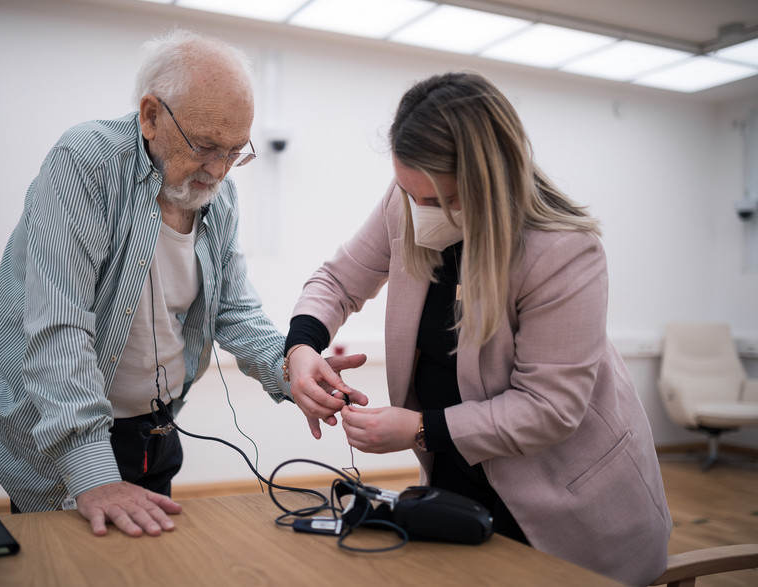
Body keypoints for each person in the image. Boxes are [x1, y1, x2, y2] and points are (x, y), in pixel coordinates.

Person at [284, 72, 672, 586]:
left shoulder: (563, 252)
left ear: (488, 184)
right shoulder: (407, 198)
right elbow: (337, 279)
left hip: (568, 503)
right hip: (460, 480)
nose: (417, 213)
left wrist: (420, 428)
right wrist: (301, 346)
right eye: (407, 192)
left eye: (436, 200)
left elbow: (549, 408)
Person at [0, 29, 362, 539]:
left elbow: (235, 311)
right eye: (206, 146)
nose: (220, 170)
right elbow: (59, 326)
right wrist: (94, 476)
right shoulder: (87, 161)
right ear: (151, 116)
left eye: (234, 151)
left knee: (152, 562)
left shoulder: (218, 199)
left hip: (154, 426)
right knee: (72, 566)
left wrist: (292, 364)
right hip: (60, 429)